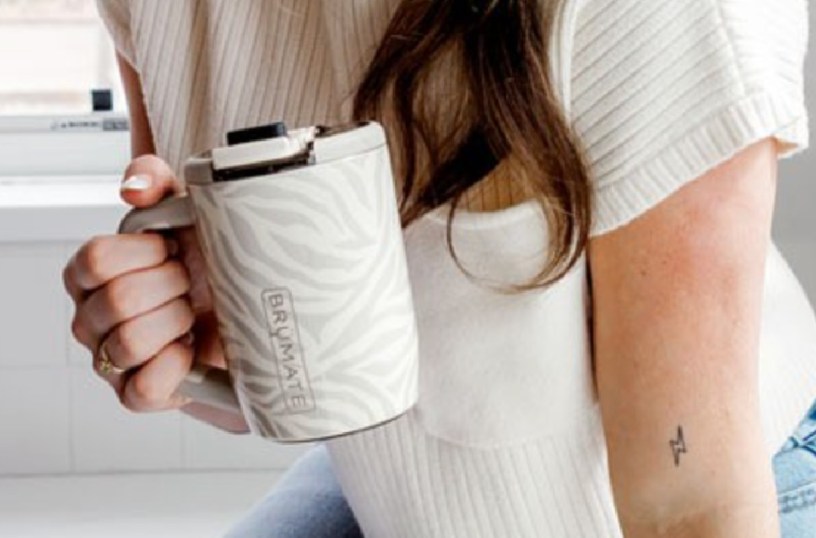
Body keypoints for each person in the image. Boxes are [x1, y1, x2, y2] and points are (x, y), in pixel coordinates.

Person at [62, 0, 816, 536]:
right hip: (405, 488)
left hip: (712, 499)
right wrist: (184, 345)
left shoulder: (671, 15)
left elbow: (687, 499)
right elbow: (256, 390)